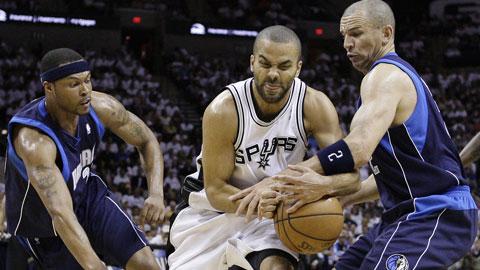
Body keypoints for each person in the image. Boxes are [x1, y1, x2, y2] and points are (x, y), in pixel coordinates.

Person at [260, 1, 478, 269]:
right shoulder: (389, 81)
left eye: (356, 34)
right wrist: (342, 196)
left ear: (386, 33)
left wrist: (286, 178)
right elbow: (399, 177)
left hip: (435, 213)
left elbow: (358, 149)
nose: (347, 45)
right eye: (344, 37)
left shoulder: (384, 76)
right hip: (407, 213)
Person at [167, 25, 360, 270]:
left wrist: (322, 185)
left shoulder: (315, 106)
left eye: (283, 66)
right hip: (209, 215)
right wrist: (259, 199)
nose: (273, 74)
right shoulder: (224, 110)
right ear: (252, 63)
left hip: (271, 219)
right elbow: (215, 191)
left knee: (277, 267)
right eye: (265, 64)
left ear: (298, 68)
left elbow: (352, 178)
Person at [5, 48, 165, 269]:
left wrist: (156, 194)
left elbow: (147, 140)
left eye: (87, 81)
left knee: (147, 264)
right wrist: (94, 265)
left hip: (89, 199)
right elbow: (60, 213)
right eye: (74, 84)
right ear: (49, 88)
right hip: (45, 225)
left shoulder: (102, 107)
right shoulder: (34, 141)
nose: (85, 91)